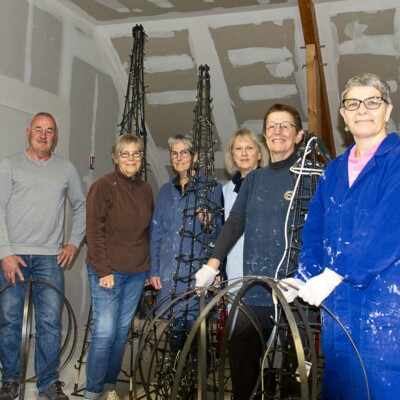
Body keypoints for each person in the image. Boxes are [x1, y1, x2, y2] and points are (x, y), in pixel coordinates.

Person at [281, 73, 400, 399]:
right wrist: (304, 276)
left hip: (386, 310)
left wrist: (334, 274)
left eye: (372, 101)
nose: (362, 109)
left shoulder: (397, 160)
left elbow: (389, 226)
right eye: (352, 104)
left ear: (387, 111)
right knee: (339, 387)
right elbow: (315, 229)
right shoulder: (333, 170)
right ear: (344, 117)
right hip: (338, 311)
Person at [195, 104, 304, 400]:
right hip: (253, 293)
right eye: (271, 126)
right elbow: (235, 222)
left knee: (291, 379)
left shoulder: (310, 178)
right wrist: (212, 264)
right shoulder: (254, 180)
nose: (277, 132)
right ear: (265, 135)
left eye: (285, 126)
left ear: (298, 135)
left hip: (295, 296)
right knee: (243, 371)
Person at [0, 112, 86, 400]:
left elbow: (81, 206)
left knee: (50, 323)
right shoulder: (9, 165)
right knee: (9, 320)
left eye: (50, 130)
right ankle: (10, 380)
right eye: (38, 129)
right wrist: (5, 253)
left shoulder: (66, 170)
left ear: (55, 136)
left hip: (50, 259)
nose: (43, 134)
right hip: (14, 257)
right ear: (28, 132)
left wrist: (73, 242)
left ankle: (48, 383)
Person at [84, 134, 153, 400]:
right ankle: (92, 391)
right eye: (125, 154)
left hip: (136, 272)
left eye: (136, 153)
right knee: (104, 332)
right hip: (108, 271)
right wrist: (103, 270)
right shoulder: (103, 186)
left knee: (121, 332)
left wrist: (147, 268)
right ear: (115, 157)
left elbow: (146, 232)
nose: (131, 159)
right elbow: (94, 231)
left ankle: (109, 386)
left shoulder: (146, 189)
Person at [149, 134, 223, 357]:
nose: (179, 157)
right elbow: (156, 233)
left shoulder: (211, 188)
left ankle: (196, 384)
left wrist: (209, 222)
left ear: (195, 157)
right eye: (174, 153)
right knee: (175, 332)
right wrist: (154, 270)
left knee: (195, 331)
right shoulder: (164, 191)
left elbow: (220, 232)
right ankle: (177, 383)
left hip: (196, 273)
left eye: (184, 152)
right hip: (169, 273)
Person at [222, 127, 268, 283]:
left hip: (265, 266)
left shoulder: (270, 185)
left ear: (260, 154)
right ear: (232, 155)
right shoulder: (225, 191)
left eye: (249, 148)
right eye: (238, 149)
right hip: (234, 268)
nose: (244, 153)